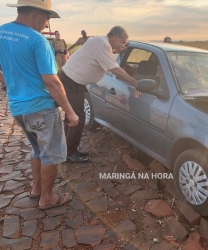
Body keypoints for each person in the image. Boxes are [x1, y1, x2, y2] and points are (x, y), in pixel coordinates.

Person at [0, 0, 79, 210]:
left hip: (18, 108)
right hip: (41, 108)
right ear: (36, 13)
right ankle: (47, 198)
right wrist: (70, 112)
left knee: (37, 150)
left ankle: (36, 189)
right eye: (47, 18)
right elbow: (52, 81)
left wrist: (8, 82)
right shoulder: (37, 40)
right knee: (50, 154)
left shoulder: (2, 33)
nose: (46, 24)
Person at [60, 26, 139, 163]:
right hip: (71, 81)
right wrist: (136, 84)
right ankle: (70, 153)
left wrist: (115, 49)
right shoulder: (102, 45)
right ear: (115, 37)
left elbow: (103, 55)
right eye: (122, 42)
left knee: (71, 117)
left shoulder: (99, 41)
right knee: (76, 118)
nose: (123, 45)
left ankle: (67, 150)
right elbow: (116, 70)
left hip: (73, 80)